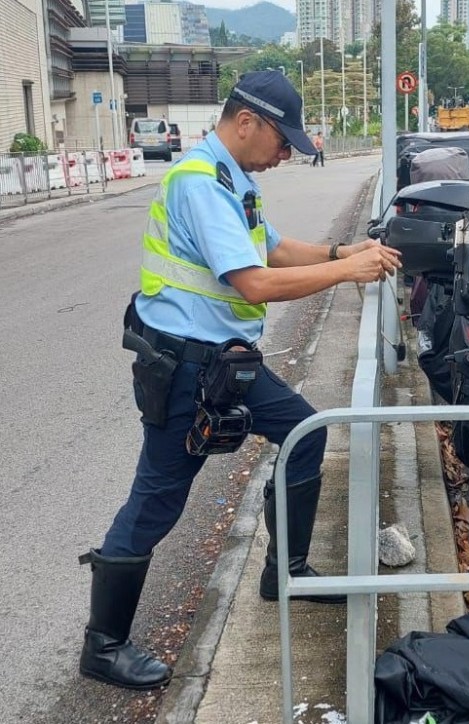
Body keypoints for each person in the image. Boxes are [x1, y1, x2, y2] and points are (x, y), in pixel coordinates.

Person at [78, 70, 402, 691]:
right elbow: (253, 282)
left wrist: (342, 253)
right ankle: (103, 646)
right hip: (187, 369)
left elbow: (272, 250)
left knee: (306, 432)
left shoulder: (234, 180)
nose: (286, 154)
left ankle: (286, 572)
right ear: (246, 122)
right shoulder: (199, 182)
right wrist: (349, 274)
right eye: (283, 142)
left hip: (225, 364)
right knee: (158, 499)